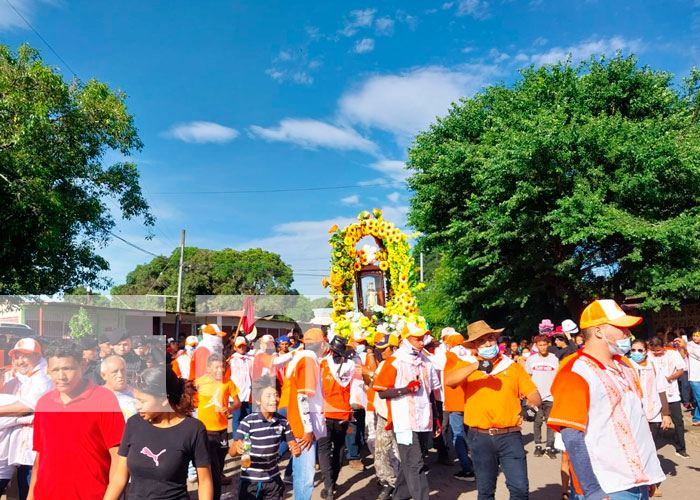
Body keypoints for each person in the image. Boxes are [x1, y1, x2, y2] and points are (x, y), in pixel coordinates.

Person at [547, 299, 665, 500]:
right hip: (607, 487)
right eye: (621, 328)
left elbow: (636, 421)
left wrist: (649, 473)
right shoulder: (575, 371)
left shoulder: (625, 366)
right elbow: (572, 436)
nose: (628, 334)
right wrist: (592, 490)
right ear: (599, 331)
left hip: (639, 481)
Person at [445, 320, 540, 500]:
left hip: (510, 436)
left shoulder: (511, 366)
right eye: (482, 341)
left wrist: (531, 407)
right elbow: (449, 380)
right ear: (474, 345)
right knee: (486, 491)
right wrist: (476, 366)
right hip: (480, 437)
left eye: (491, 338)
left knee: (520, 490)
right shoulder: (468, 365)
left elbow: (533, 393)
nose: (488, 343)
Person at [28, 340, 125, 500]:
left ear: (83, 364)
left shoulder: (103, 399)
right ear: (48, 370)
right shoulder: (43, 403)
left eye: (67, 369)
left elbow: (119, 456)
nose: (61, 377)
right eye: (55, 370)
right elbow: (40, 459)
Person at [103, 367, 213, 500]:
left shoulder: (193, 429)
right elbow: (118, 479)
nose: (137, 406)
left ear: (163, 399)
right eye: (136, 399)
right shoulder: (134, 424)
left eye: (143, 401)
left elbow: (205, 481)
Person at [373, 323, 441, 500]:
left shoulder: (427, 361)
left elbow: (432, 392)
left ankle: (399, 496)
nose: (421, 342)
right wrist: (405, 390)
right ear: (406, 339)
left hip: (424, 419)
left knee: (411, 462)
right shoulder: (394, 361)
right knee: (415, 462)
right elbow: (381, 392)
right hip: (403, 422)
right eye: (417, 338)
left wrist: (437, 419)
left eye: (422, 338)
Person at [230, 375, 300, 500]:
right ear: (257, 400)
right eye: (268, 396)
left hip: (273, 480)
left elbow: (293, 445)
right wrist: (238, 448)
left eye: (276, 395)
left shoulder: (283, 422)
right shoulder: (248, 422)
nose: (274, 399)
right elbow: (232, 452)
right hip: (250, 480)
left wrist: (296, 450)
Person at [0, 338, 53, 500]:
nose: (21, 361)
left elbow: (26, 407)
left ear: (38, 356)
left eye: (26, 356)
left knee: (30, 494)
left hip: (34, 453)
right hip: (14, 455)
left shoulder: (44, 377)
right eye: (18, 356)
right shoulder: (13, 382)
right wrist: (25, 418)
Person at [280, 328, 327, 500]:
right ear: (321, 344)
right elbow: (303, 397)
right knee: (305, 477)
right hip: (302, 426)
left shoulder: (302, 357)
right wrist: (308, 428)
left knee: (302, 474)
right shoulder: (308, 361)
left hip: (299, 421)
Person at [194, 353, 241, 499]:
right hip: (204, 431)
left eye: (223, 367)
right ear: (208, 369)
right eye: (216, 367)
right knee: (210, 469)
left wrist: (230, 409)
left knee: (219, 466)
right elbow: (190, 402)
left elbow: (238, 402)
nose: (220, 370)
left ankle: (216, 492)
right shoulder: (199, 383)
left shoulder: (228, 382)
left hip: (222, 431)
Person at [318, 335, 355, 499]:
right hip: (344, 412)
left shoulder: (322, 364)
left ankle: (328, 487)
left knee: (324, 450)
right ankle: (332, 483)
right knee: (339, 448)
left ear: (331, 349)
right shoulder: (352, 365)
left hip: (325, 413)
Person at [368, 333, 401, 500]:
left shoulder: (397, 362)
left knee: (391, 452)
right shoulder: (385, 363)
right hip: (383, 414)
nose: (381, 352)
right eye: (379, 348)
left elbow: (381, 386)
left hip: (393, 415)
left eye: (384, 348)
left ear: (394, 348)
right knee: (382, 451)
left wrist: (370, 373)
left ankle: (394, 484)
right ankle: (390, 482)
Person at [647, 335, 689, 458]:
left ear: (663, 347)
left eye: (658, 350)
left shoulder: (672, 352)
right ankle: (651, 450)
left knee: (678, 421)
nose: (656, 353)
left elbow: (681, 370)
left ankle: (681, 448)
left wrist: (670, 378)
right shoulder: (648, 355)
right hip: (656, 395)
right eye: (654, 351)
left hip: (672, 393)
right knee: (654, 423)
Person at [443, 331, 476, 482]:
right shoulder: (471, 355)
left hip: (455, 402)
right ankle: (479, 465)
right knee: (470, 435)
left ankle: (468, 469)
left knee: (457, 435)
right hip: (470, 400)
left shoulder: (449, 355)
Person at [525, 334, 560, 459]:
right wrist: (528, 396)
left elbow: (558, 378)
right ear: (536, 346)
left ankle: (550, 446)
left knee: (550, 422)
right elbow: (527, 377)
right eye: (540, 345)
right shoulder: (531, 360)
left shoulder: (554, 358)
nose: (543, 348)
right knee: (537, 421)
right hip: (536, 396)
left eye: (545, 345)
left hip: (551, 395)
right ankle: (538, 445)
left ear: (548, 344)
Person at [229, 336, 254, 435]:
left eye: (243, 346)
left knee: (248, 420)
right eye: (239, 346)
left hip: (249, 395)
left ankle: (248, 440)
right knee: (237, 419)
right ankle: (237, 440)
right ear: (235, 347)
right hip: (236, 396)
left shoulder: (251, 359)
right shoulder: (231, 360)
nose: (242, 348)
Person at [101, 355, 138, 421]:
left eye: (123, 370)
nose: (120, 375)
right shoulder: (95, 397)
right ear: (104, 375)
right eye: (115, 372)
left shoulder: (138, 395)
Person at [676, 331, 700, 426]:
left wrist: (685, 346)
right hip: (695, 377)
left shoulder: (688, 346)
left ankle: (696, 418)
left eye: (697, 336)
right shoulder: (689, 344)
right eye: (693, 335)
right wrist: (682, 347)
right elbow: (683, 355)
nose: (695, 337)